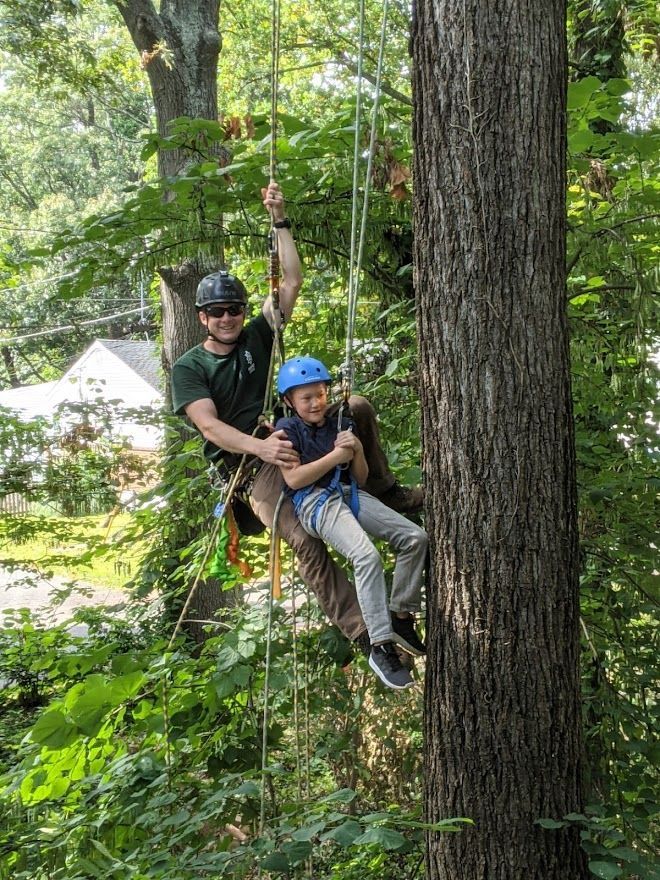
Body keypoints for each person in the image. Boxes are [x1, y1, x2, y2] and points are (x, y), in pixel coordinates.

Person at [171, 181, 423, 660]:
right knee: (304, 538)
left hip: (289, 431)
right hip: (250, 466)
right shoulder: (192, 367)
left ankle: (383, 492)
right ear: (203, 318)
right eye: (218, 312)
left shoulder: (256, 338)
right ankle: (366, 634)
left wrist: (280, 218)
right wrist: (261, 447)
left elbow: (289, 281)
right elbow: (209, 426)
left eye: (235, 310)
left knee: (359, 408)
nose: (228, 318)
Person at [275, 356, 427, 690]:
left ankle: (401, 616)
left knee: (414, 537)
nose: (316, 403)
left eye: (320, 394)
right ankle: (380, 644)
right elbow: (296, 479)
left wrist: (356, 450)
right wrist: (334, 457)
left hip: (347, 492)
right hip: (315, 503)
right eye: (306, 398)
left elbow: (359, 477)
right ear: (289, 401)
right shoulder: (286, 431)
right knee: (366, 556)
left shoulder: (338, 421)